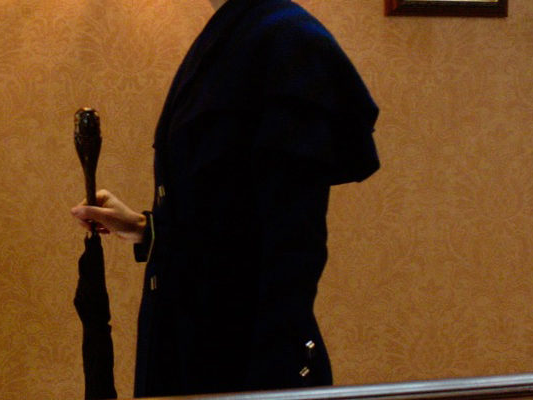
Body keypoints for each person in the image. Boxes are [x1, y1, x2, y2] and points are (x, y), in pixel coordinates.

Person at [68, 0, 379, 396]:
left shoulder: (287, 40)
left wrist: (270, 386)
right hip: (191, 350)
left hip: (242, 364)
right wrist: (145, 228)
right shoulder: (234, 33)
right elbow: (228, 222)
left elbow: (292, 246)